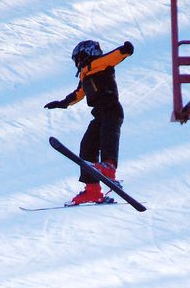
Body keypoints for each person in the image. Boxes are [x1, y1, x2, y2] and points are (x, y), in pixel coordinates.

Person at [45, 38, 134, 205]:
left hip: (111, 109)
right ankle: (92, 190)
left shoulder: (99, 63)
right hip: (100, 113)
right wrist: (62, 103)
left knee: (108, 136)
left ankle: (109, 167)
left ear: (85, 54)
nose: (76, 63)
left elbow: (113, 57)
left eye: (76, 59)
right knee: (87, 145)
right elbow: (78, 94)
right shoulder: (86, 74)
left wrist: (125, 50)